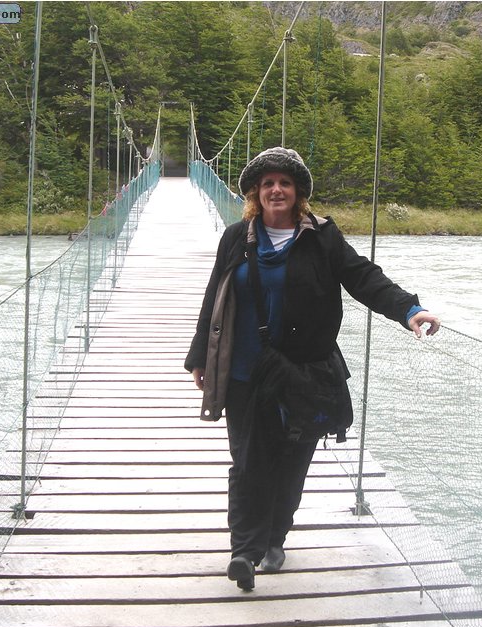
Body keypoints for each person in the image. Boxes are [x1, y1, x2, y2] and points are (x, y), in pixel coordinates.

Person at [184, 147, 440, 591]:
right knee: (248, 461)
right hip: (246, 371)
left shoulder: (322, 237)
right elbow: (215, 296)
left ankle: (275, 538)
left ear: (298, 192)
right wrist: (199, 357)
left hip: (304, 372)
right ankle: (244, 550)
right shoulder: (235, 238)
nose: (276, 190)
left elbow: (363, 277)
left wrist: (409, 310)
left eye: (285, 183)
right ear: (255, 194)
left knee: (291, 459)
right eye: (268, 184)